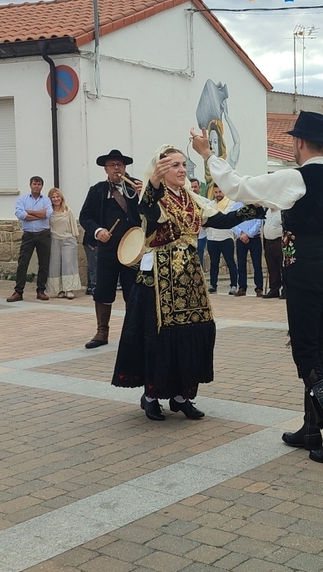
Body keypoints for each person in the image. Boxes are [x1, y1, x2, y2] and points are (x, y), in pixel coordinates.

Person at [197, 111, 323, 463]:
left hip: (306, 269)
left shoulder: (295, 178)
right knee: (314, 344)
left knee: (305, 351)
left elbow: (238, 187)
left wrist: (208, 155)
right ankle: (311, 428)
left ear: (299, 142)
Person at [113, 145, 264, 422]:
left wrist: (253, 208)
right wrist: (154, 182)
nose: (182, 170)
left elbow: (221, 219)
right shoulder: (153, 197)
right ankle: (151, 397)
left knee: (194, 330)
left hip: (190, 276)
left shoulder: (191, 199)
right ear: (160, 170)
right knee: (159, 336)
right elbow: (147, 210)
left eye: (183, 164)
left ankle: (182, 396)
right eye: (175, 165)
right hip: (159, 278)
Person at [79, 150, 142, 348]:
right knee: (103, 289)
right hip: (107, 249)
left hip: (132, 249)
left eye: (120, 165)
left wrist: (145, 196)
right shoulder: (97, 190)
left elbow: (151, 212)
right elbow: (85, 216)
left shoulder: (136, 187)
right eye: (112, 165)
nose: (117, 168)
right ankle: (102, 332)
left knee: (133, 290)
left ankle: (133, 332)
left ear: (125, 167)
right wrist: (98, 231)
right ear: (106, 169)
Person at [204, 184, 240, 295]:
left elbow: (225, 217)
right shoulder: (210, 204)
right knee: (214, 263)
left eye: (220, 192)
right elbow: (206, 218)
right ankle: (213, 285)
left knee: (230, 262)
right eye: (216, 192)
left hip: (226, 237)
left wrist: (213, 218)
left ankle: (233, 285)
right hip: (212, 238)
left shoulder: (230, 203)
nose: (218, 194)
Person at [47, 187, 82, 299]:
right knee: (56, 265)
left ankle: (69, 289)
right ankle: (60, 289)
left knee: (68, 264)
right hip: (54, 240)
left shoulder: (67, 210)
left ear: (61, 198)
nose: (56, 199)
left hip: (68, 239)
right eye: (53, 197)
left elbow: (73, 225)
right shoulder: (49, 212)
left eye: (57, 196)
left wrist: (75, 237)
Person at [233, 201, 263, 297]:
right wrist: (241, 233)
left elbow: (259, 221)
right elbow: (232, 222)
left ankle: (259, 288)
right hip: (240, 238)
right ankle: (242, 287)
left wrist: (249, 234)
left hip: (255, 237)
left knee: (257, 264)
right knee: (241, 264)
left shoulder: (256, 204)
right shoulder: (236, 206)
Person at [261, 207, 283, 299]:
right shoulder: (267, 211)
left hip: (279, 242)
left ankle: (285, 290)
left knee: (282, 267)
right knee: (272, 267)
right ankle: (274, 289)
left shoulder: (282, 211)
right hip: (268, 242)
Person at [191, 179, 207, 269]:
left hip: (201, 236)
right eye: (191, 187)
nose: (193, 189)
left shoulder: (205, 202)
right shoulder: (184, 202)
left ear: (199, 188)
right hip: (188, 236)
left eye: (195, 187)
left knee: (199, 258)